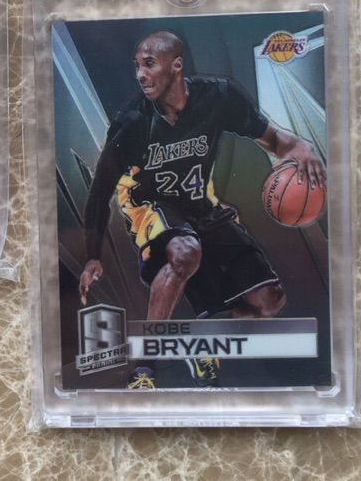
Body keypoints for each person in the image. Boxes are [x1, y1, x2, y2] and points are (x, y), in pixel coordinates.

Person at [78, 30, 325, 388]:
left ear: (176, 65)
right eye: (137, 66)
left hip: (199, 203)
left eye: (149, 64)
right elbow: (100, 190)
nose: (141, 75)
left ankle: (203, 339)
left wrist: (301, 147)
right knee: (185, 250)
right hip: (148, 203)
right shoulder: (132, 121)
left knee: (270, 300)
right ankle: (144, 365)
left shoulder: (219, 96)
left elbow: (271, 138)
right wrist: (92, 255)